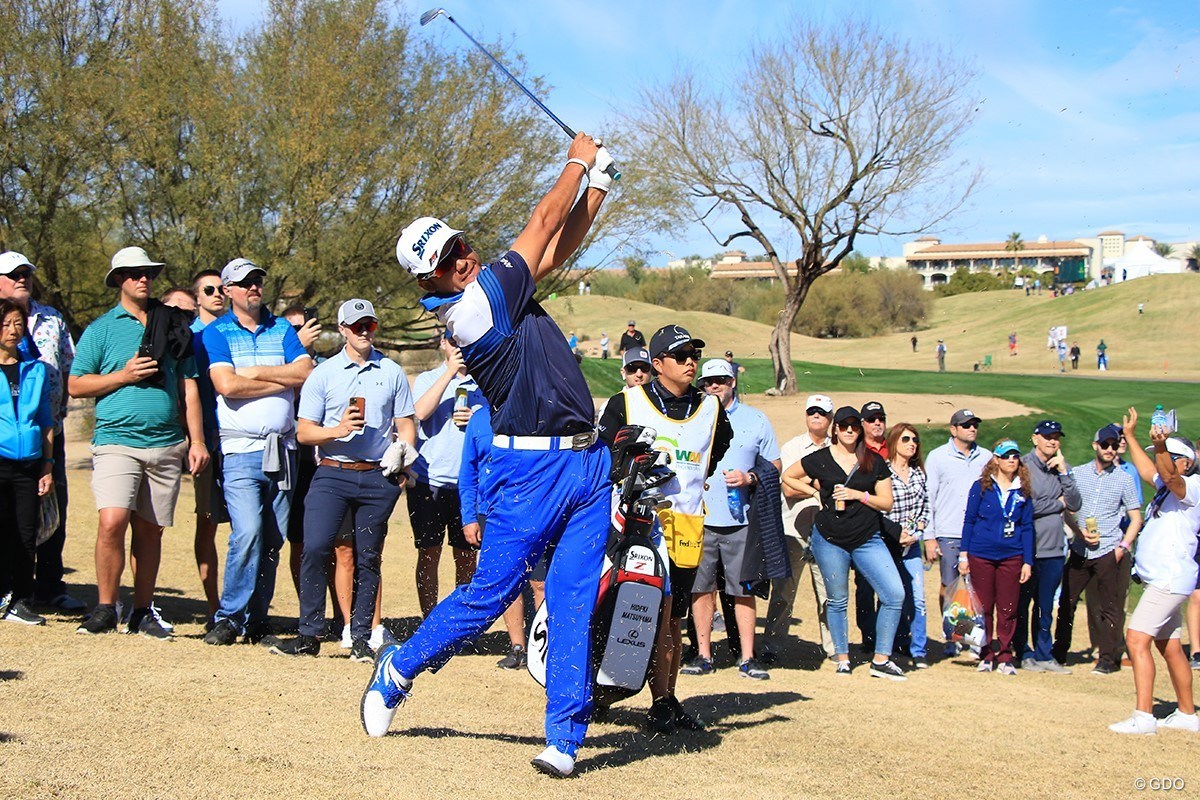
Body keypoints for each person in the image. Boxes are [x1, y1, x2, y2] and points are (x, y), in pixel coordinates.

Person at [362, 134, 615, 778]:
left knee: (574, 595)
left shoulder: (499, 287)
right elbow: (541, 223)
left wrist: (599, 188)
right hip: (529, 472)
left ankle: (563, 735)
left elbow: (556, 252)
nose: (462, 256)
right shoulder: (473, 307)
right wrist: (577, 161)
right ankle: (399, 668)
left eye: (459, 244)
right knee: (488, 594)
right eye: (447, 258)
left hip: (587, 463)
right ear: (431, 280)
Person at [598, 325, 731, 732]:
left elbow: (714, 450)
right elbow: (604, 460)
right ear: (657, 365)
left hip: (686, 526)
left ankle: (664, 700)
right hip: (633, 525)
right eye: (681, 355)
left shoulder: (711, 409)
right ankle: (598, 689)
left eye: (694, 354)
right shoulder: (626, 402)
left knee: (672, 618)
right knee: (615, 608)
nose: (692, 362)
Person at [70, 246, 207, 639]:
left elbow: (189, 387)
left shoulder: (173, 324)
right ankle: (104, 607)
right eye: (133, 273)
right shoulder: (101, 329)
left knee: (150, 530)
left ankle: (142, 610)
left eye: (147, 272)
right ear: (118, 280)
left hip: (165, 443)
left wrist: (196, 440)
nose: (142, 278)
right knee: (112, 522)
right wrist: (124, 376)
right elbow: (76, 384)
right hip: (116, 440)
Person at [270, 299, 416, 662]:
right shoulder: (324, 373)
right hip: (332, 473)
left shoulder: (392, 371)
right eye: (356, 325)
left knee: (369, 558)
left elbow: (406, 424)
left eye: (369, 324)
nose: (364, 331)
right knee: (315, 548)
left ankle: (361, 637)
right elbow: (304, 433)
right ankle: (309, 634)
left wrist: (403, 455)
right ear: (343, 330)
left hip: (377, 478)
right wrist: (338, 429)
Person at [201, 258, 313, 646]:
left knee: (273, 538)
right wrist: (277, 377)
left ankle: (256, 618)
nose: (253, 287)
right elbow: (227, 386)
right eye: (244, 283)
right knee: (246, 532)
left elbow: (306, 374)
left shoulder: (281, 327)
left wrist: (251, 372)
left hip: (283, 449)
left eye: (257, 281)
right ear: (227, 290)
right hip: (239, 450)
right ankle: (229, 616)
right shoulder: (216, 333)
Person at [781, 406, 906, 680]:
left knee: (894, 594)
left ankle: (881, 660)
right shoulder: (819, 459)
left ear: (859, 430)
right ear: (835, 429)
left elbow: (886, 502)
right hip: (829, 540)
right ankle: (843, 658)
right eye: (844, 425)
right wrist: (814, 491)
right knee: (837, 600)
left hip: (867, 538)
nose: (850, 430)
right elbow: (788, 476)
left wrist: (859, 495)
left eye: (854, 426)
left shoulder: (873, 461)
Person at [686, 358, 779, 680]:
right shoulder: (694, 417)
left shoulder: (756, 419)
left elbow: (775, 465)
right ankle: (702, 654)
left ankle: (747, 657)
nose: (714, 387)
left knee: (743, 589)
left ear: (733, 382)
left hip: (740, 520)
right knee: (701, 589)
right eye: (708, 382)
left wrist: (750, 477)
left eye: (721, 381)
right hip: (699, 518)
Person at [0, 251, 83, 612]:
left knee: (51, 510)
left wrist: (60, 416)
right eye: (13, 274)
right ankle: (11, 589)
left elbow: (69, 367)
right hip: (3, 440)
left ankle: (49, 587)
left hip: (47, 432)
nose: (22, 278)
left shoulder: (52, 319)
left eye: (26, 273)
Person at [1108, 409, 1199, 735]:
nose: (1160, 462)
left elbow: (1172, 478)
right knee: (1169, 646)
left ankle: (1144, 717)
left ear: (1185, 462)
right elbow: (1151, 472)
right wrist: (1130, 436)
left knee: (1136, 639)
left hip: (1169, 578)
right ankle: (1188, 714)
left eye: (1169, 457)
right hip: (1164, 578)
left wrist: (1161, 449)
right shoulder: (1166, 484)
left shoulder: (1193, 485)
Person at [1052, 424, 1143, 674]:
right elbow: (1066, 509)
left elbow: (1136, 517)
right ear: (1095, 446)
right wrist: (1079, 532)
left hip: (1108, 550)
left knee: (1110, 606)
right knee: (1067, 602)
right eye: (1105, 445)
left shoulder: (1124, 479)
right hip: (1080, 549)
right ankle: (1059, 652)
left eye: (1114, 446)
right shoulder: (1078, 474)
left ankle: (1107, 659)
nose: (1110, 450)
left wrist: (1123, 547)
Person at [408, 335, 486, 617]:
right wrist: (451, 373)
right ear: (443, 344)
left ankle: (457, 622)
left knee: (466, 557)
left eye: (463, 342)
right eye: (453, 342)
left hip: (467, 487)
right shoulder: (429, 379)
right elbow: (420, 412)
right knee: (428, 553)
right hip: (428, 482)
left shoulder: (483, 384)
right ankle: (429, 619)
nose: (459, 348)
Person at [767, 394, 836, 662]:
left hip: (827, 532)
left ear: (830, 418)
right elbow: (788, 488)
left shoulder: (838, 447)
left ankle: (834, 648)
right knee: (783, 593)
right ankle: (773, 646)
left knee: (829, 593)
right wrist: (821, 481)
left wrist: (805, 479)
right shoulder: (793, 447)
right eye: (811, 411)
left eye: (821, 412)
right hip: (792, 530)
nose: (816, 415)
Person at [457, 404, 526, 669]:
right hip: (491, 512)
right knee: (507, 580)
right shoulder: (479, 419)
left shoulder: (530, 410)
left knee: (540, 583)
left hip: (531, 509)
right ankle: (517, 647)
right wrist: (469, 516)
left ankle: (547, 648)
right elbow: (468, 473)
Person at [0, 298, 55, 625]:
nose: (12, 330)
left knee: (25, 532)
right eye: (5, 324)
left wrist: (47, 464)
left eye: (18, 324)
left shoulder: (35, 368)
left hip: (29, 464)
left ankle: (21, 599)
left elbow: (46, 418)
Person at [959, 440, 1035, 675]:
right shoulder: (981, 486)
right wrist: (963, 555)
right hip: (981, 554)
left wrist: (1027, 561)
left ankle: (1005, 655)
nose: (1011, 460)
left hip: (1011, 556)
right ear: (996, 459)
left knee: (1008, 607)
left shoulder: (1023, 489)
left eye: (1015, 456)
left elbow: (1027, 526)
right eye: (1006, 456)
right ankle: (985, 653)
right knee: (983, 606)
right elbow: (969, 521)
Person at [925, 409, 992, 655]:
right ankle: (952, 634)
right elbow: (929, 497)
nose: (972, 429)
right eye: (966, 425)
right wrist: (929, 537)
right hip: (949, 531)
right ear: (953, 429)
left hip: (978, 533)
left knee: (976, 587)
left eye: (974, 425)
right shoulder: (937, 457)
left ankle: (971, 636)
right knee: (950, 586)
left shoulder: (986, 457)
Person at [1016, 420, 1080, 673]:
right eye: (1047, 437)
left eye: (1056, 437)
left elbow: (1074, 502)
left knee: (1045, 607)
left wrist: (1064, 473)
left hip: (1054, 549)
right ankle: (1022, 652)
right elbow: (1025, 507)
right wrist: (1057, 503)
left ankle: (1044, 654)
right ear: (1035, 439)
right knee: (1022, 605)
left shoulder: (1062, 469)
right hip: (1029, 549)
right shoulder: (1023, 466)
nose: (1052, 441)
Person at [189, 269, 228, 624]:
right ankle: (213, 604)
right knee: (207, 520)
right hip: (205, 440)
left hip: (238, 439)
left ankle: (238, 607)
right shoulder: (190, 338)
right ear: (197, 297)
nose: (217, 294)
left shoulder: (234, 333)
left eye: (221, 288)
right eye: (209, 289)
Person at [885, 423, 930, 669]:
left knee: (918, 599)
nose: (912, 443)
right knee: (892, 596)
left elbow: (925, 506)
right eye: (906, 439)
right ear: (894, 442)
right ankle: (889, 645)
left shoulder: (918, 474)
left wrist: (918, 530)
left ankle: (919, 650)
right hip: (888, 544)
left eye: (915, 440)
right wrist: (895, 533)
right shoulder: (883, 472)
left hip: (912, 545)